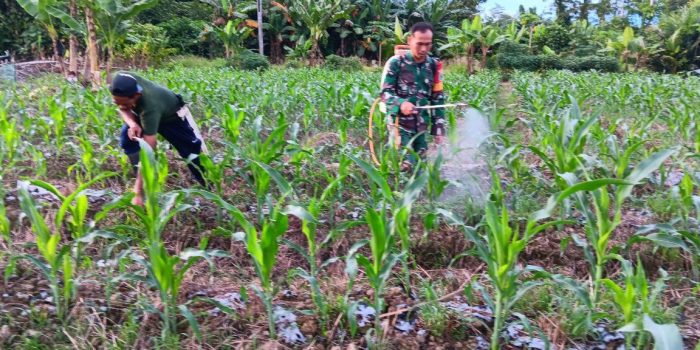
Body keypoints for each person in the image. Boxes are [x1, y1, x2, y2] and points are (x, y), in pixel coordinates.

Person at [109, 71, 206, 206]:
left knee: (193, 154)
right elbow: (122, 108)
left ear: (137, 95)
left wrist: (137, 191)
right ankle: (145, 181)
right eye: (117, 102)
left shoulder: (150, 107)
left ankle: (209, 186)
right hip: (144, 113)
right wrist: (133, 124)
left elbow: (148, 151)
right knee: (128, 141)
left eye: (127, 104)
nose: (122, 106)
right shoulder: (121, 82)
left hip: (172, 117)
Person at [380, 22, 446, 171]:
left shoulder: (434, 65)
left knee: (420, 165)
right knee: (405, 165)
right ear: (410, 40)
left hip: (421, 124)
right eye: (419, 44)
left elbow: (438, 98)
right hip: (399, 124)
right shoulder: (396, 63)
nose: (424, 49)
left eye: (428, 44)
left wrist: (438, 128)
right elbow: (385, 93)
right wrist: (401, 104)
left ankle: (421, 193)